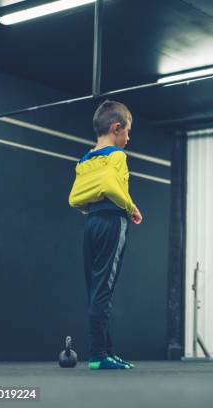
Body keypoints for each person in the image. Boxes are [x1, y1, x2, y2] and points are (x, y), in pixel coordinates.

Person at [68, 100, 143, 369]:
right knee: (104, 291)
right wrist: (131, 206)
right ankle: (99, 355)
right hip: (112, 221)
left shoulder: (85, 158)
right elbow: (111, 185)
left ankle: (105, 351)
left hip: (92, 223)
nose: (128, 138)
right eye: (127, 132)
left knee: (96, 290)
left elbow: (75, 199)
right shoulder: (117, 156)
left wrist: (93, 203)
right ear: (116, 128)